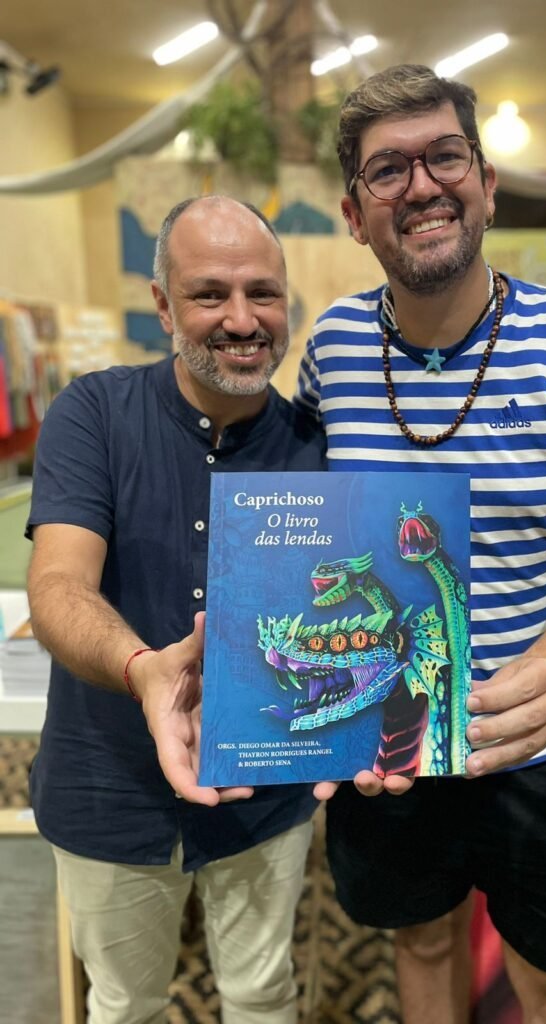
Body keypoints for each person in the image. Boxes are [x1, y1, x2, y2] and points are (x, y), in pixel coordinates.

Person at [294, 65, 546, 1024]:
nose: (421, 185)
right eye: (388, 170)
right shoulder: (331, 349)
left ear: (487, 184)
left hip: (541, 744)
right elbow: (307, 535)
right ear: (354, 214)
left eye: (445, 157)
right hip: (395, 740)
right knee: (420, 942)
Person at [25, 195, 325, 1024]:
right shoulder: (93, 414)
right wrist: (142, 670)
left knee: (262, 996)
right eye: (209, 294)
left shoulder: (316, 446)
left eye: (263, 293)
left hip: (267, 792)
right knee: (126, 1005)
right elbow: (58, 587)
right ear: (163, 305)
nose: (242, 319)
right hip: (108, 783)